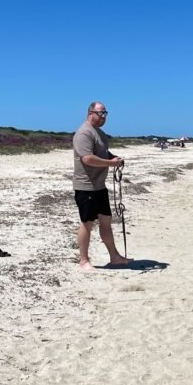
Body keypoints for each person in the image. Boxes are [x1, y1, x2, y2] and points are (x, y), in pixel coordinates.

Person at [72, 101, 131, 270]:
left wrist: (115, 159)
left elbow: (103, 153)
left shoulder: (100, 134)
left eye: (105, 113)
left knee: (106, 221)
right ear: (90, 113)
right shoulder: (83, 133)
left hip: (99, 186)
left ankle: (115, 257)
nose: (103, 116)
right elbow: (87, 158)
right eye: (100, 113)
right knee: (87, 223)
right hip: (85, 186)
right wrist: (110, 164)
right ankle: (84, 261)